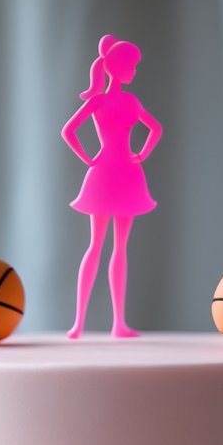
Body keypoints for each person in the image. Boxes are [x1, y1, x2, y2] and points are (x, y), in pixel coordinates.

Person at [61, 35, 162, 338]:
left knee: (114, 247)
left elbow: (157, 128)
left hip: (117, 174)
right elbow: (68, 131)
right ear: (119, 68)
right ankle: (79, 322)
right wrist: (92, 159)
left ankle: (117, 322)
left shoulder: (116, 101)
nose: (135, 71)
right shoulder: (107, 101)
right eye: (132, 65)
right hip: (116, 174)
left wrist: (92, 159)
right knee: (102, 246)